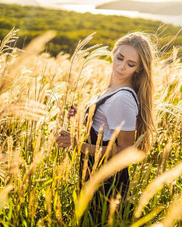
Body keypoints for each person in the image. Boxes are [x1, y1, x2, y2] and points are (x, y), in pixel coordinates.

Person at [56, 32, 155, 225]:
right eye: (120, 58)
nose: (121, 66)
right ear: (113, 52)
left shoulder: (123, 98)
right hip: (95, 175)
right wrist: (80, 118)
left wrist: (79, 145)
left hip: (108, 183)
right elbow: (104, 129)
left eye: (130, 64)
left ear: (139, 68)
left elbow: (126, 151)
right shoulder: (112, 89)